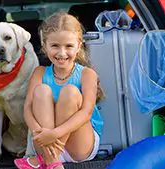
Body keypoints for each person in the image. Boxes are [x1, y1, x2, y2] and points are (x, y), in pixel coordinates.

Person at [14, 12, 104, 169]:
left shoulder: (87, 74)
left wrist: (54, 135)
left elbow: (86, 113)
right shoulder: (39, 73)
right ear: (44, 46)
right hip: (44, 143)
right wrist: (39, 133)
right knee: (41, 91)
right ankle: (53, 162)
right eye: (55, 46)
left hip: (79, 146)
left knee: (70, 92)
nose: (62, 53)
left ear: (79, 45)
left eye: (68, 46)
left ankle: (49, 160)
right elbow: (27, 108)